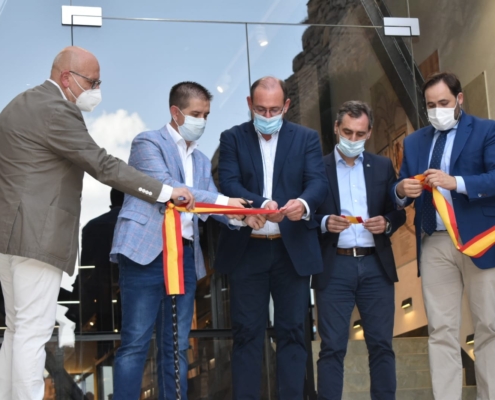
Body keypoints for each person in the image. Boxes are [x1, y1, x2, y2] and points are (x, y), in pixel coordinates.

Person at [0, 46, 193, 400]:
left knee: (16, 331)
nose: (96, 89)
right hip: (37, 237)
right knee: (32, 332)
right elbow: (102, 165)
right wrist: (164, 191)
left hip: (9, 237)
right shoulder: (57, 109)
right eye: (92, 81)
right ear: (65, 78)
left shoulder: (18, 104)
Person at [110, 81, 249, 400]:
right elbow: (169, 187)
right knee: (135, 344)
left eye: (206, 115)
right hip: (146, 254)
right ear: (175, 112)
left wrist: (241, 216)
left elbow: (208, 205)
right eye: (196, 114)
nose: (202, 121)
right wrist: (227, 202)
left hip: (184, 258)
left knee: (177, 346)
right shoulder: (147, 143)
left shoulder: (200, 160)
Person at [214, 76, 329, 399]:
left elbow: (317, 183)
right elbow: (229, 183)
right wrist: (262, 204)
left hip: (290, 251)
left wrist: (303, 204)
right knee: (247, 333)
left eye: (274, 109)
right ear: (250, 105)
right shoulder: (232, 138)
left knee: (293, 332)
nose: (267, 116)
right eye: (261, 109)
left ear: (287, 106)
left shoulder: (306, 138)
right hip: (248, 250)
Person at [394, 71, 495, 400]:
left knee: (489, 326)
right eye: (430, 105)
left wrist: (458, 183)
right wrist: (401, 190)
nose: (437, 110)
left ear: (460, 99)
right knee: (440, 330)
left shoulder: (485, 130)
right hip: (434, 241)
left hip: (479, 241)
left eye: (444, 103)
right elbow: (402, 191)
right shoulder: (414, 142)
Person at [314, 101, 406, 400]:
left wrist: (388, 223)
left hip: (375, 266)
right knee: (332, 348)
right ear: (336, 130)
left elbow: (398, 211)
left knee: (381, 345)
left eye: (360, 134)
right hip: (334, 266)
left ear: (369, 133)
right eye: (348, 132)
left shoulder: (381, 165)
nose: (353, 140)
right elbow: (303, 214)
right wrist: (326, 222)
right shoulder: (316, 167)